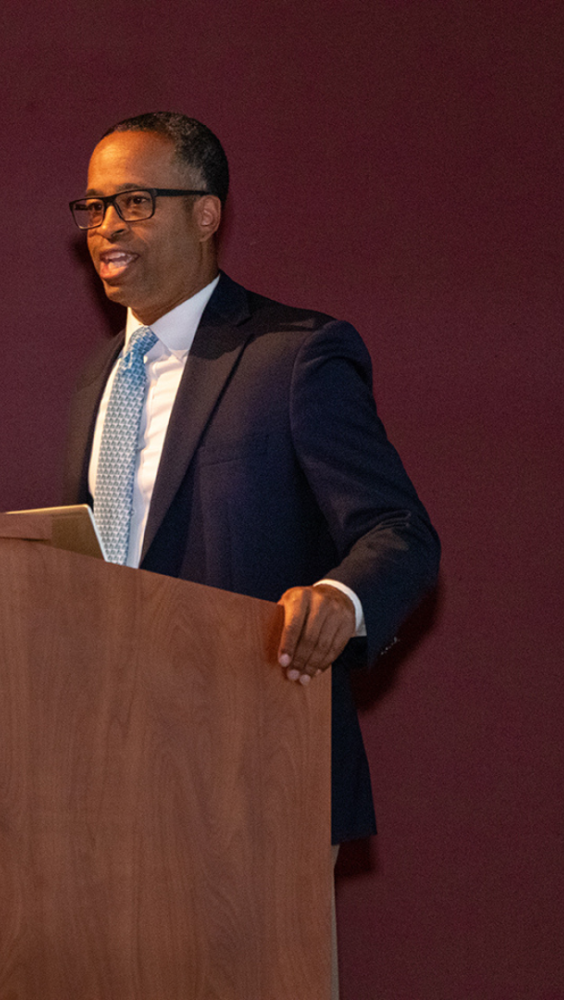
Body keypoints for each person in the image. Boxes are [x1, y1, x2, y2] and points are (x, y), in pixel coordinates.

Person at [63, 111, 440, 850]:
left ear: (206, 215)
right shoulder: (98, 377)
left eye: (134, 202)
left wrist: (341, 597)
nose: (106, 226)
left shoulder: (293, 355)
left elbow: (399, 532)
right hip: (105, 759)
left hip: (257, 751)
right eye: (94, 206)